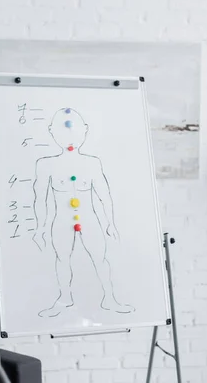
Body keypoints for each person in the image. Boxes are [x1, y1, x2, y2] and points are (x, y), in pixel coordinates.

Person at [32, 107, 135, 317]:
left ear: (85, 131)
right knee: (62, 259)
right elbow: (39, 198)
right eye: (62, 133)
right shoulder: (46, 165)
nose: (70, 138)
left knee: (100, 258)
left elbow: (104, 195)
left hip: (90, 220)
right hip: (61, 221)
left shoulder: (92, 163)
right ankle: (64, 299)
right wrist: (40, 226)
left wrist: (110, 222)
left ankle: (110, 298)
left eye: (75, 132)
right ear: (52, 133)